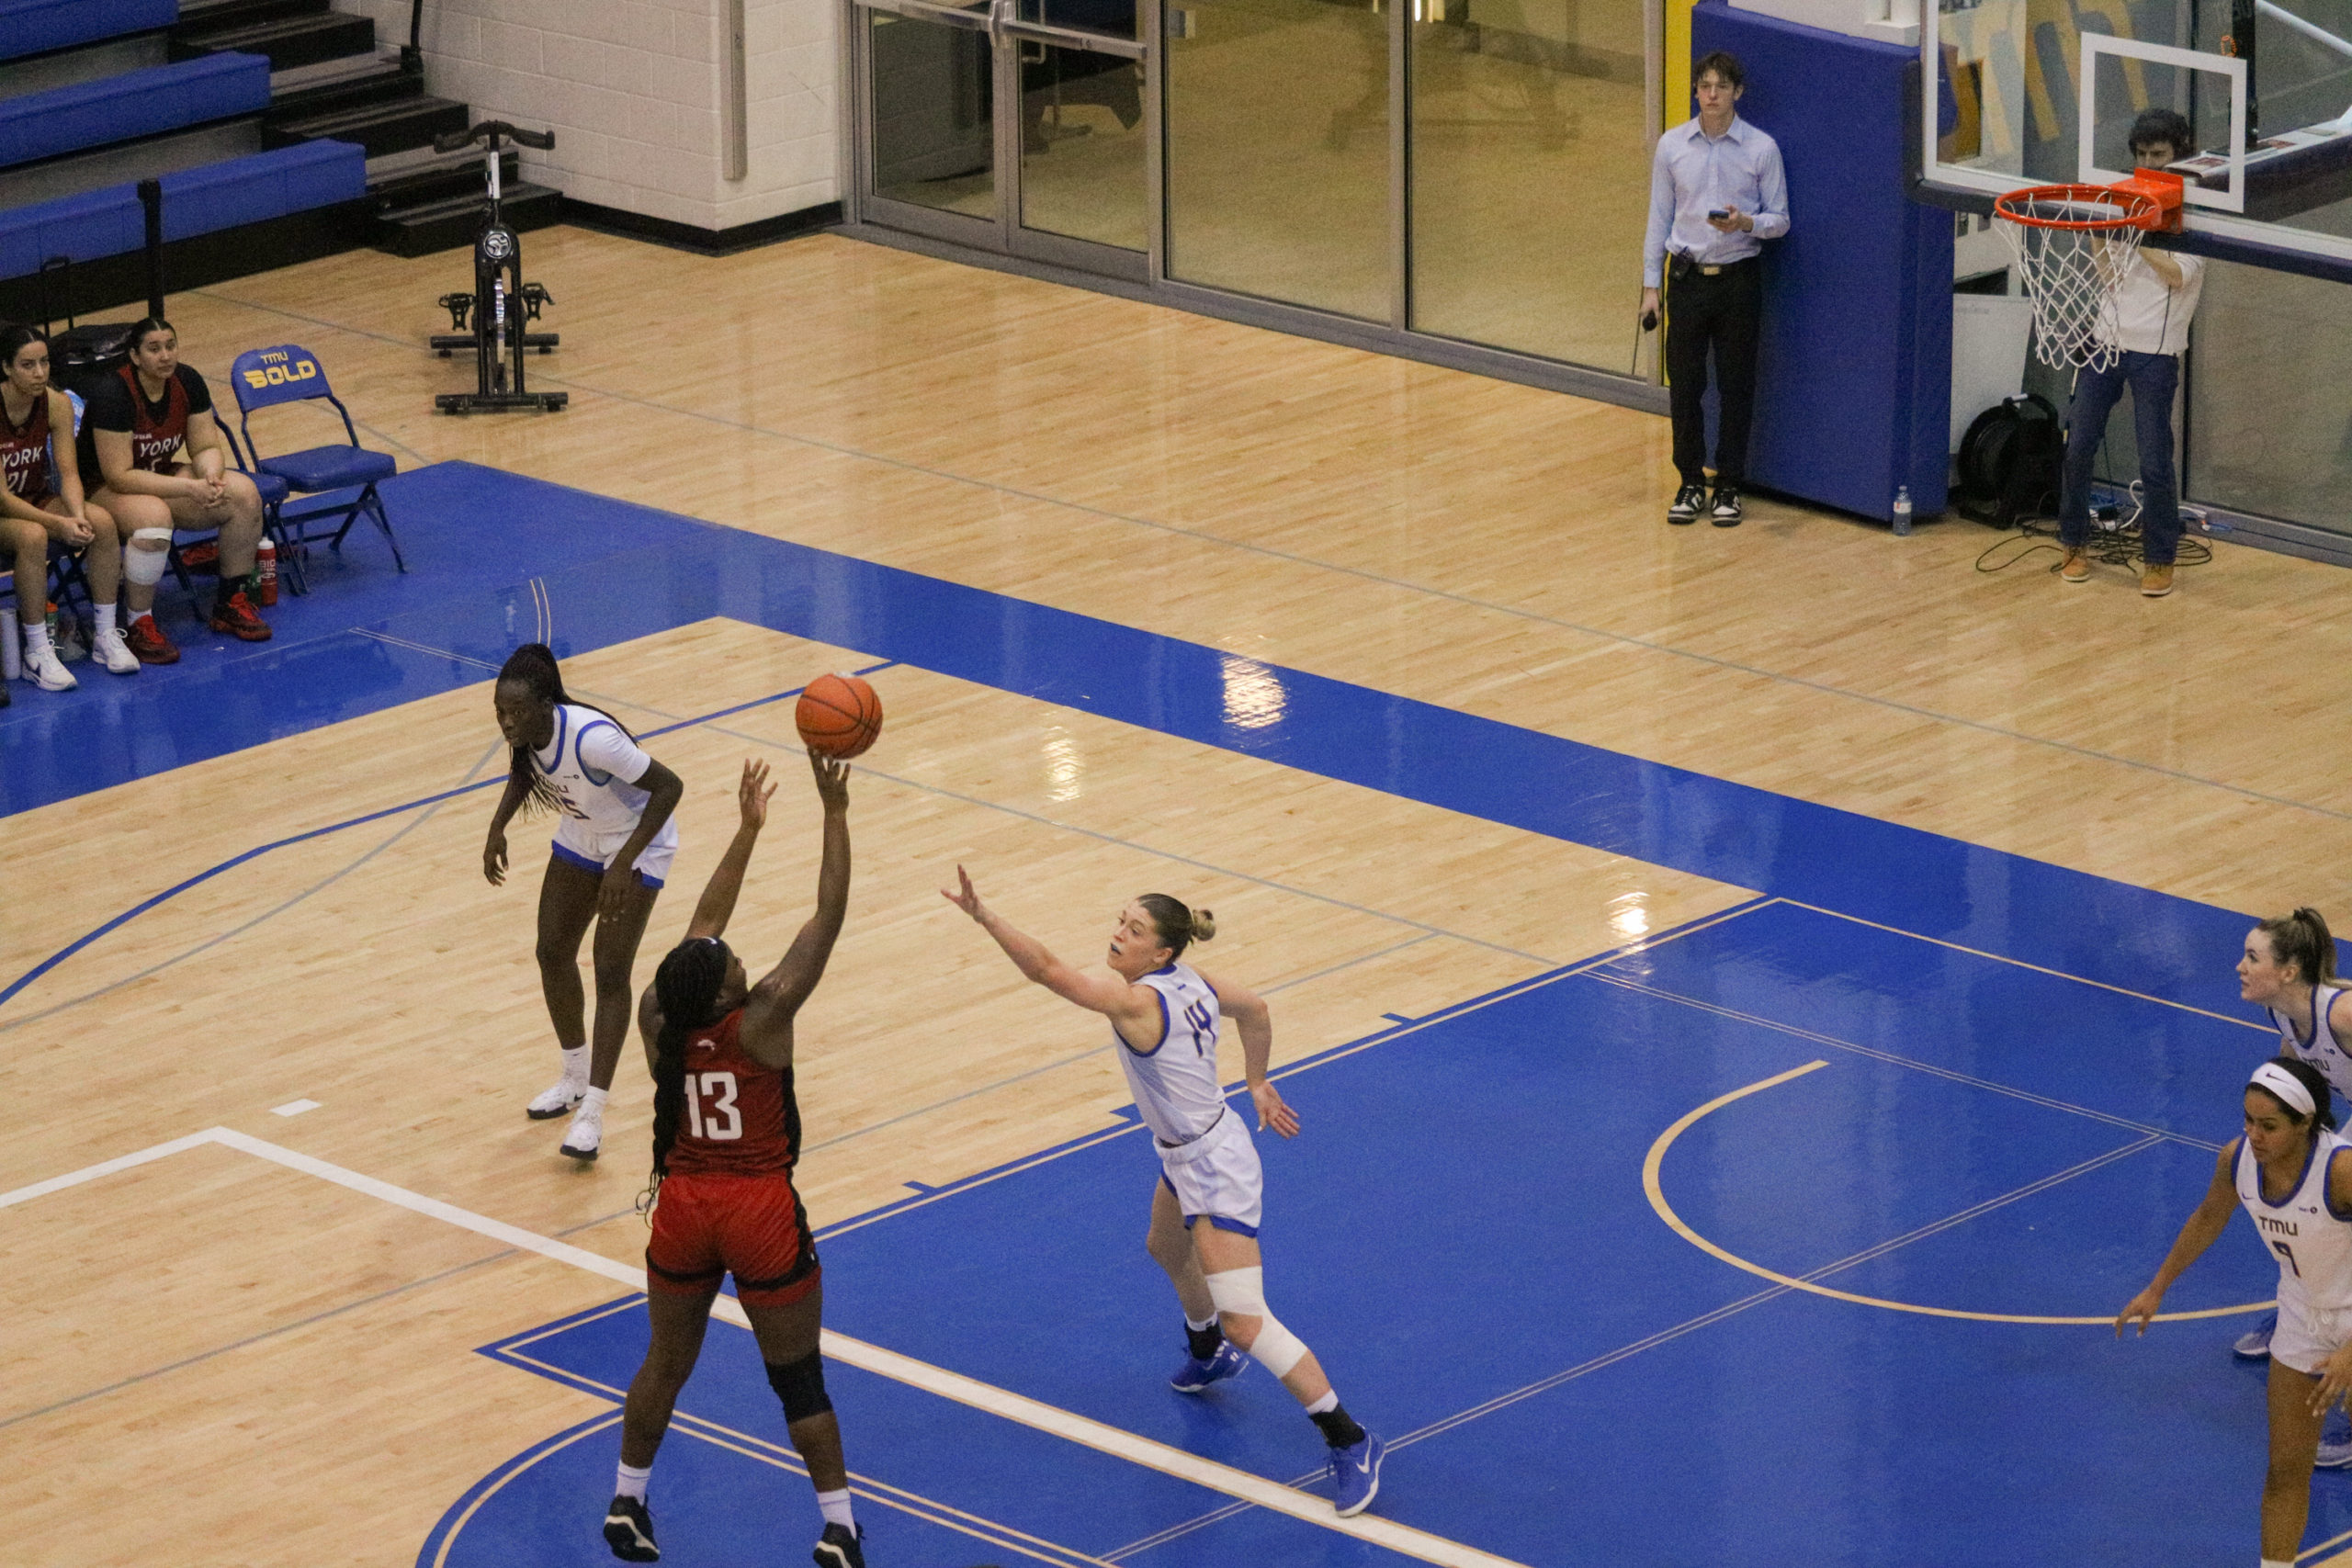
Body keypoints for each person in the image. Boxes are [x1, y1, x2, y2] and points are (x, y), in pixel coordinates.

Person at [941, 874, 1386, 1517]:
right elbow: (1256, 1008)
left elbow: (1047, 970)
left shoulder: (1137, 1003)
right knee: (1163, 1246)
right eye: (1121, 920)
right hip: (1188, 1149)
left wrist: (985, 914)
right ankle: (1208, 1353)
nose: (1118, 934)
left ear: (1161, 954)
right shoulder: (1193, 979)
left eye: (1135, 930)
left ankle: (1350, 1437)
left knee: (1248, 1318)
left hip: (1213, 1165)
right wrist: (1257, 1080)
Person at [605, 752, 862, 1568]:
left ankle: (627, 1498)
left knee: (665, 1362)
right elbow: (828, 914)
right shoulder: (764, 1017)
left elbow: (697, 935)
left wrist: (747, 831)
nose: (735, 955)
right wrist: (832, 811)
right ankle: (839, 1526)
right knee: (798, 1379)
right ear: (724, 993)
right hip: (755, 1208)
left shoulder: (663, 1014)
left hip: (682, 1206)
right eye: (730, 964)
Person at [2117, 1056, 2352, 1568]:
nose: (2255, 1135)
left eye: (2268, 1126)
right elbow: (2208, 1217)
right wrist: (2157, 1288)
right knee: (2285, 1469)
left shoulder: (2342, 1171)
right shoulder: (2236, 1159)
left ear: (2305, 1123)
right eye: (2248, 1120)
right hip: (2301, 1317)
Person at [483, 643, 684, 1162]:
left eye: (516, 712)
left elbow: (669, 788)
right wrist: (496, 827)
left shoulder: (595, 741)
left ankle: (592, 1113)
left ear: (546, 704)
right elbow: (524, 772)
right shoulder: (530, 733)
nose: (507, 722)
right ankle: (573, 1077)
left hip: (637, 842)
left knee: (610, 971)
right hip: (583, 835)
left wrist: (625, 864)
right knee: (551, 951)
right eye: (500, 712)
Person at [2055, 107, 2206, 599]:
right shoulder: (2126, 203)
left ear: (2179, 155)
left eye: (2158, 154)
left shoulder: (2194, 214)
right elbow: (2109, 277)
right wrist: (2105, 237)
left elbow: (2178, 274)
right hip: (2106, 341)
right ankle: (2073, 541)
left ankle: (2160, 557)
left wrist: (2136, 232)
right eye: (2142, 154)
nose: (2149, 162)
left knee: (2154, 459)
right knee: (2078, 444)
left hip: (2155, 354)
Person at [1641, 50, 1789, 528]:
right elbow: (1658, 219)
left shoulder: (1761, 149)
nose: (1711, 95)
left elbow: (1781, 220)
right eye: (1704, 86)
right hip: (1685, 279)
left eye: (1721, 87)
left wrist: (1747, 223)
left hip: (1738, 279)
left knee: (1736, 385)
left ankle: (1728, 484)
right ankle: (1688, 481)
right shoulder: (1672, 146)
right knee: (1684, 385)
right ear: (1696, 91)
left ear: (1737, 93)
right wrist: (1650, 287)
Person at [2232, 907, 2352, 1470]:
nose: (2240, 966)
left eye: (2253, 957)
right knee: (2291, 1192)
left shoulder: (2342, 1012)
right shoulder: (2285, 1017)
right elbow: (2298, 1068)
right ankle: (2301, 1311)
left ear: (2288, 970)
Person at [80, 317, 271, 662]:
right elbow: (119, 476)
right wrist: (188, 487)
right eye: (154, 349)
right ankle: (138, 623)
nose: (165, 355)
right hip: (100, 487)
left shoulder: (187, 380)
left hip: (158, 473)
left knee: (242, 493)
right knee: (154, 518)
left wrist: (210, 478)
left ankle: (230, 601)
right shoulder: (113, 394)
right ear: (135, 357)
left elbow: (204, 447)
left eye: (170, 346)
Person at [0, 324, 134, 693]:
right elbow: (3, 499)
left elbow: (69, 472)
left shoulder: (56, 403)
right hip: (4, 511)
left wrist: (75, 514)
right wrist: (58, 526)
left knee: (101, 521)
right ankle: (37, 651)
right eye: (28, 365)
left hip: (35, 497)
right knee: (32, 535)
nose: (40, 373)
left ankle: (106, 636)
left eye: (44, 362)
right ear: (6, 368)